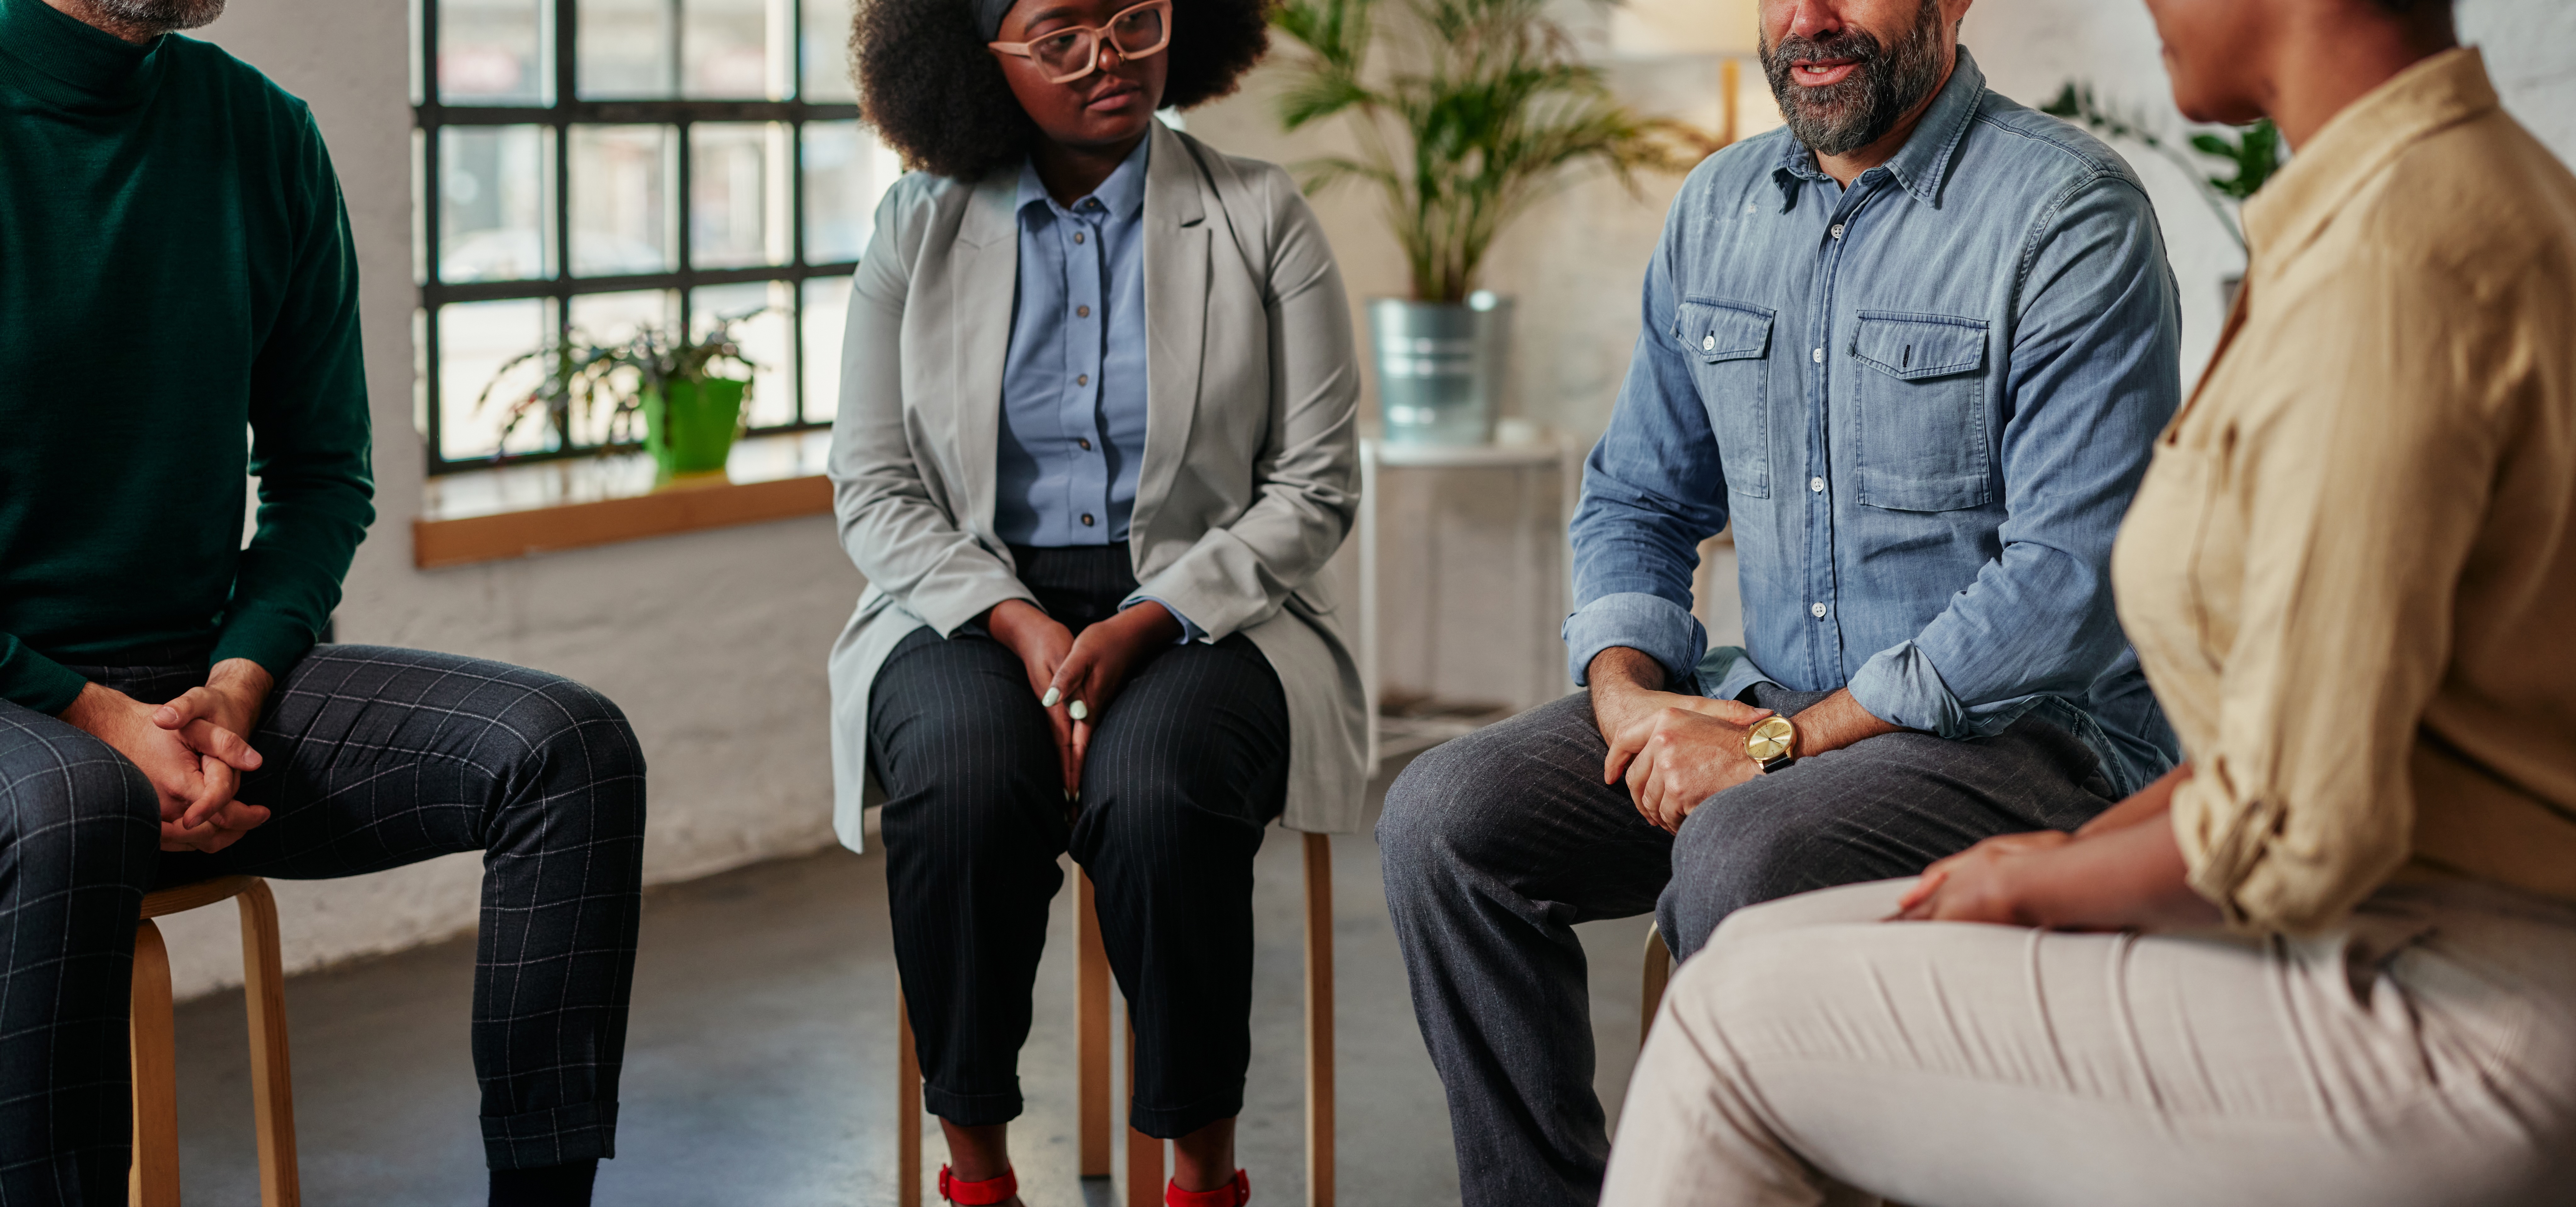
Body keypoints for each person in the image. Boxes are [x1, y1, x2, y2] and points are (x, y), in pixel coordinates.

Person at [1601, 0, 2576, 1201]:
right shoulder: (2392, 204)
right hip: (2370, 925)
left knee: (1729, 1016)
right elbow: (2294, 736)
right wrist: (2049, 859)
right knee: (1744, 947)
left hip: (2424, 995)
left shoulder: (2390, 259)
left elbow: (2297, 824)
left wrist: (2026, 877)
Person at [1374, 0, 2187, 1201]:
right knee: (1441, 819)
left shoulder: (2068, 213)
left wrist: (1772, 744)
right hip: (1771, 709)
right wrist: (1631, 706)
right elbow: (1639, 501)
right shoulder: (1717, 207)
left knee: (1739, 853)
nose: (1809, 20)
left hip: (2025, 741)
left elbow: (2067, 587)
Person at [0, 2, 649, 1204]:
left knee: (568, 750)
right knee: (82, 805)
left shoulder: (262, 133)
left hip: (201, 691)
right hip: (18, 704)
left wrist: (236, 684)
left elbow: (317, 479)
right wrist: (93, 715)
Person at [825, 0, 1365, 1200]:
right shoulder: (916, 229)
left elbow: (1316, 485)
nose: (1106, 57)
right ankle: (976, 1177)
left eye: (1132, 16)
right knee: (963, 786)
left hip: (1207, 606)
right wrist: (1016, 621)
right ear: (979, 59)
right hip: (967, 602)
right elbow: (873, 488)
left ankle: (1202, 1177)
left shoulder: (1261, 213)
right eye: (1058, 34)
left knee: (1163, 795)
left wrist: (1148, 618)